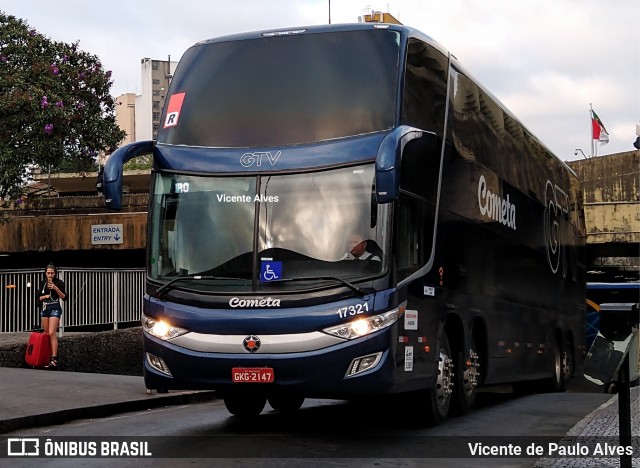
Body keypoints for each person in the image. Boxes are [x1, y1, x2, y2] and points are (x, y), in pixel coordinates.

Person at [36, 263, 67, 370]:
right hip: (45, 308)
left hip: (55, 307)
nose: (50, 275)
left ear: (55, 273)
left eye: (52, 273)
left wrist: (55, 288)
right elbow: (38, 297)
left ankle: (54, 360)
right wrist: (44, 296)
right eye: (48, 273)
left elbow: (64, 297)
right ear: (45, 273)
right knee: (46, 334)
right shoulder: (42, 283)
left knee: (52, 333)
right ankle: (47, 357)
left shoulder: (59, 282)